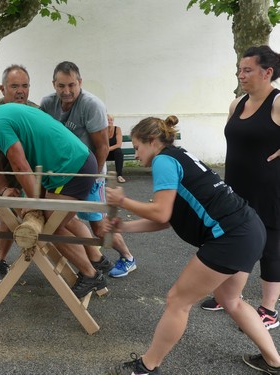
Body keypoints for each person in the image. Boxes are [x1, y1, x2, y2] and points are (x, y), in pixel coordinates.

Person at [107, 115, 280, 374]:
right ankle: (274, 361)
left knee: (177, 300)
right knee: (229, 299)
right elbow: (166, 219)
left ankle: (146, 366)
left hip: (231, 236)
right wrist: (125, 227)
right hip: (248, 229)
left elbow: (161, 214)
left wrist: (123, 202)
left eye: (138, 147)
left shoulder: (163, 161)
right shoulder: (178, 155)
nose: (136, 155)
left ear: (152, 141)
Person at [0, 101, 108, 298]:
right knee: (57, 220)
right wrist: (36, 199)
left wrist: (32, 204)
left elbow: (20, 166)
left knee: (52, 226)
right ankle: (97, 260)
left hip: (71, 168)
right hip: (70, 164)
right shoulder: (4, 111)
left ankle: (91, 274)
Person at [200, 46, 280, 334]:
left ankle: (269, 310)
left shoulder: (277, 102)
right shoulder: (237, 104)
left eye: (247, 70)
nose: (240, 75)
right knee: (233, 240)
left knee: (270, 249)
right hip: (235, 188)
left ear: (267, 72)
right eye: (239, 69)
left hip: (270, 190)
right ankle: (229, 296)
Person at [40, 61, 136, 278]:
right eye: (61, 86)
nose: (67, 91)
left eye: (71, 85)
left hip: (89, 173)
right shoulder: (47, 103)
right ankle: (95, 259)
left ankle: (128, 257)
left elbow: (102, 146)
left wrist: (94, 178)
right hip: (62, 176)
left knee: (99, 227)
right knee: (65, 219)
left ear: (80, 82)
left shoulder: (91, 105)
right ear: (54, 84)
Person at [0, 64, 39, 282]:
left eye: (24, 86)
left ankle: (2, 259)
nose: (20, 91)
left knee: (10, 217)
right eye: (14, 86)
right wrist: (3, 187)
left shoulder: (35, 110)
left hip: (20, 174)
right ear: (2, 88)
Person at [106, 114, 126, 183]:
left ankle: (119, 175)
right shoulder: (102, 130)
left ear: (113, 121)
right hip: (104, 153)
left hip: (113, 153)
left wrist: (108, 149)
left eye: (111, 120)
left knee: (118, 151)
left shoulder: (117, 129)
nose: (109, 121)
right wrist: (104, 150)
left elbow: (118, 144)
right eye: (107, 120)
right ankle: (99, 175)